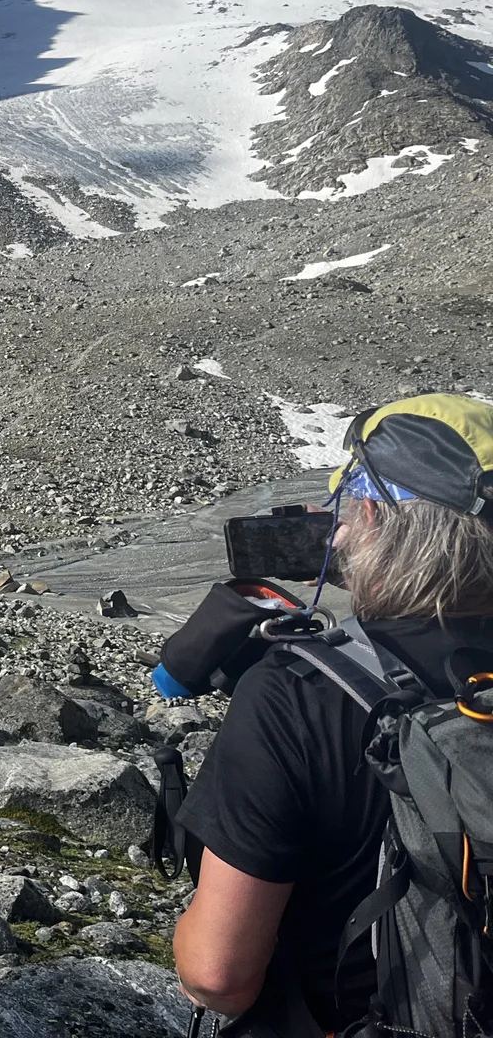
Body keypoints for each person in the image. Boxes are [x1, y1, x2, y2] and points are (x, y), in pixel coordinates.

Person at [173, 394, 493, 1036]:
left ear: (372, 514)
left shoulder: (295, 693)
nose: (335, 531)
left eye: (344, 509)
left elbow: (219, 977)